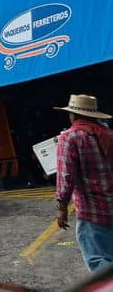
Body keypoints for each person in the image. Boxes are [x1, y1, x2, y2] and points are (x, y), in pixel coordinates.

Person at [54, 94, 113, 272]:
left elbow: (66, 177)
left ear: (74, 115)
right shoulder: (109, 135)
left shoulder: (70, 137)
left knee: (99, 265)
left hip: (92, 212)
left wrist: (61, 207)